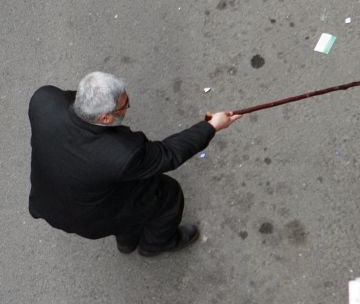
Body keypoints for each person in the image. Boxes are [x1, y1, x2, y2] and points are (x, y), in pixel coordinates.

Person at [28, 71, 241, 256]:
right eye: (124, 106)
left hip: (49, 203)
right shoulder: (123, 153)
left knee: (127, 203)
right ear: (104, 118)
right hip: (92, 217)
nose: (127, 107)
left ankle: (127, 242)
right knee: (167, 193)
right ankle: (157, 244)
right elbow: (167, 154)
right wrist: (211, 127)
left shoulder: (43, 100)